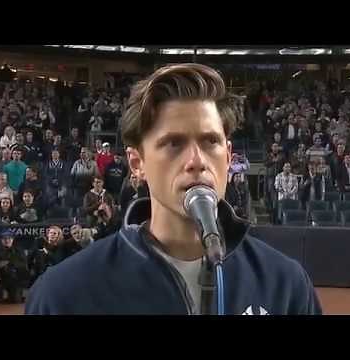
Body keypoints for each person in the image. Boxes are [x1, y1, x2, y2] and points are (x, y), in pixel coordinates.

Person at [26, 63, 321, 315]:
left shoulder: (285, 284)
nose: (196, 161)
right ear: (137, 163)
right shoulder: (63, 294)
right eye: (173, 143)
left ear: (229, 157)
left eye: (210, 142)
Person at [0, 229, 29, 303]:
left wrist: (8, 262)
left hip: (15, 279)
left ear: (12, 239)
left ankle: (18, 294)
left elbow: (23, 264)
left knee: (15, 300)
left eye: (9, 238)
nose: (7, 240)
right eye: (4, 238)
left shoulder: (19, 251)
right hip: (0, 278)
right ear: (1, 240)